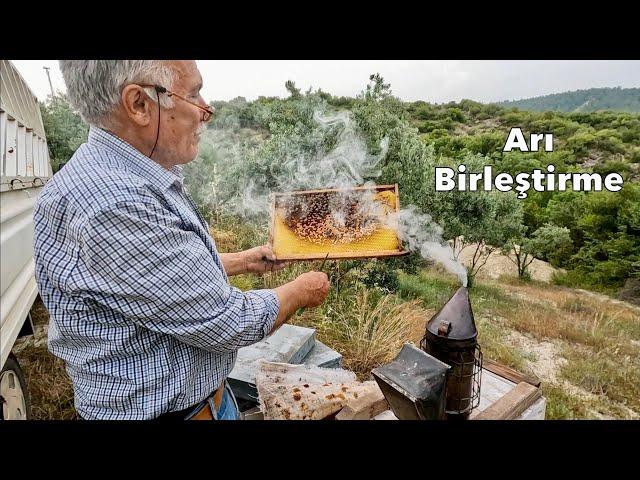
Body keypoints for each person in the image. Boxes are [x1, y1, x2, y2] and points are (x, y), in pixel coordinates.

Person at [33, 60, 330, 420]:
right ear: (139, 104)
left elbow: (147, 282)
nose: (207, 109)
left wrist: (239, 261)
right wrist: (300, 291)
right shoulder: (117, 203)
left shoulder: (118, 174)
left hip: (206, 403)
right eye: (192, 94)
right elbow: (226, 321)